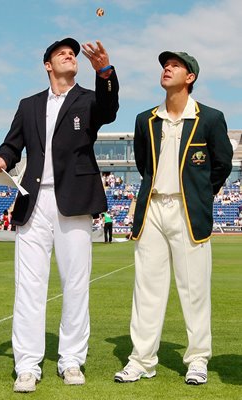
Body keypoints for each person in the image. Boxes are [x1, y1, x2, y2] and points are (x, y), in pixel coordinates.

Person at [0, 37, 119, 393]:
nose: (69, 55)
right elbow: (12, 144)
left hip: (74, 201)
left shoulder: (89, 99)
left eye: (73, 54)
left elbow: (109, 109)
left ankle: (71, 360)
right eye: (62, 53)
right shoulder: (28, 105)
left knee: (75, 285)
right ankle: (27, 365)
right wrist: (2, 159)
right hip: (32, 202)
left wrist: (104, 71)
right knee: (28, 287)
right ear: (47, 64)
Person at [114, 51, 233, 385]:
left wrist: (199, 196)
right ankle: (141, 360)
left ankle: (197, 359)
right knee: (147, 289)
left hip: (188, 211)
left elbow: (222, 164)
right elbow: (143, 164)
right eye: (165, 65)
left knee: (194, 289)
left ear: (190, 77)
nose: (167, 68)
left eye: (175, 65)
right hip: (152, 208)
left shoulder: (210, 118)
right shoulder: (145, 119)